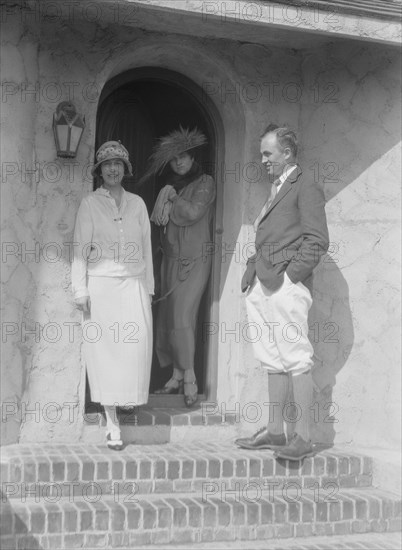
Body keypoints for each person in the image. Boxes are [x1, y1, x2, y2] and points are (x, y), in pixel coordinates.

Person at [235, 125, 329, 460]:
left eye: (267, 154)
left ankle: (302, 438)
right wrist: (251, 274)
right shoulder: (276, 188)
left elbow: (317, 240)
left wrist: (292, 277)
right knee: (271, 358)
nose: (262, 160)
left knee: (295, 356)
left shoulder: (305, 185)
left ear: (287, 153)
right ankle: (275, 431)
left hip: (286, 284)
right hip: (262, 282)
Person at [71, 141, 154, 450]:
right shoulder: (90, 203)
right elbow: (79, 247)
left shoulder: (138, 203)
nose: (113, 169)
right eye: (107, 164)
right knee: (105, 353)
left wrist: (149, 286)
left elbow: (146, 247)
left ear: (126, 169)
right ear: (99, 170)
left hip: (133, 282)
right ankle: (112, 422)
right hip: (101, 285)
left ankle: (125, 399)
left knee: (134, 345)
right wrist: (80, 288)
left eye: (118, 163)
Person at [144, 127, 216, 407]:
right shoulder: (170, 183)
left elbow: (193, 212)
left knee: (184, 317)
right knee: (169, 318)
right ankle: (175, 376)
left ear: (192, 156)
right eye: (174, 160)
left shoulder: (205, 182)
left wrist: (174, 198)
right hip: (171, 260)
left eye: (183, 157)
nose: (179, 163)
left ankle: (190, 379)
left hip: (194, 261)